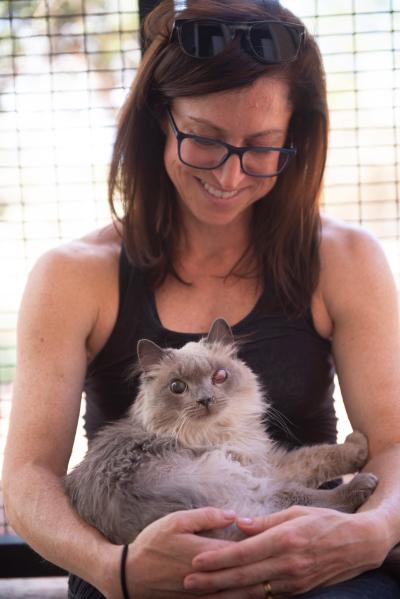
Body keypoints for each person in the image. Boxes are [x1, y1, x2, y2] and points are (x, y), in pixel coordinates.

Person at [3, 0, 400, 597]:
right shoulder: (72, 274)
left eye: (262, 145)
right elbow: (28, 478)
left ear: (296, 136)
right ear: (161, 120)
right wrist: (117, 570)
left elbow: (394, 444)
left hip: (313, 552)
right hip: (140, 566)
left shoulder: (345, 257)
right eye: (206, 140)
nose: (230, 177)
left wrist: (373, 530)